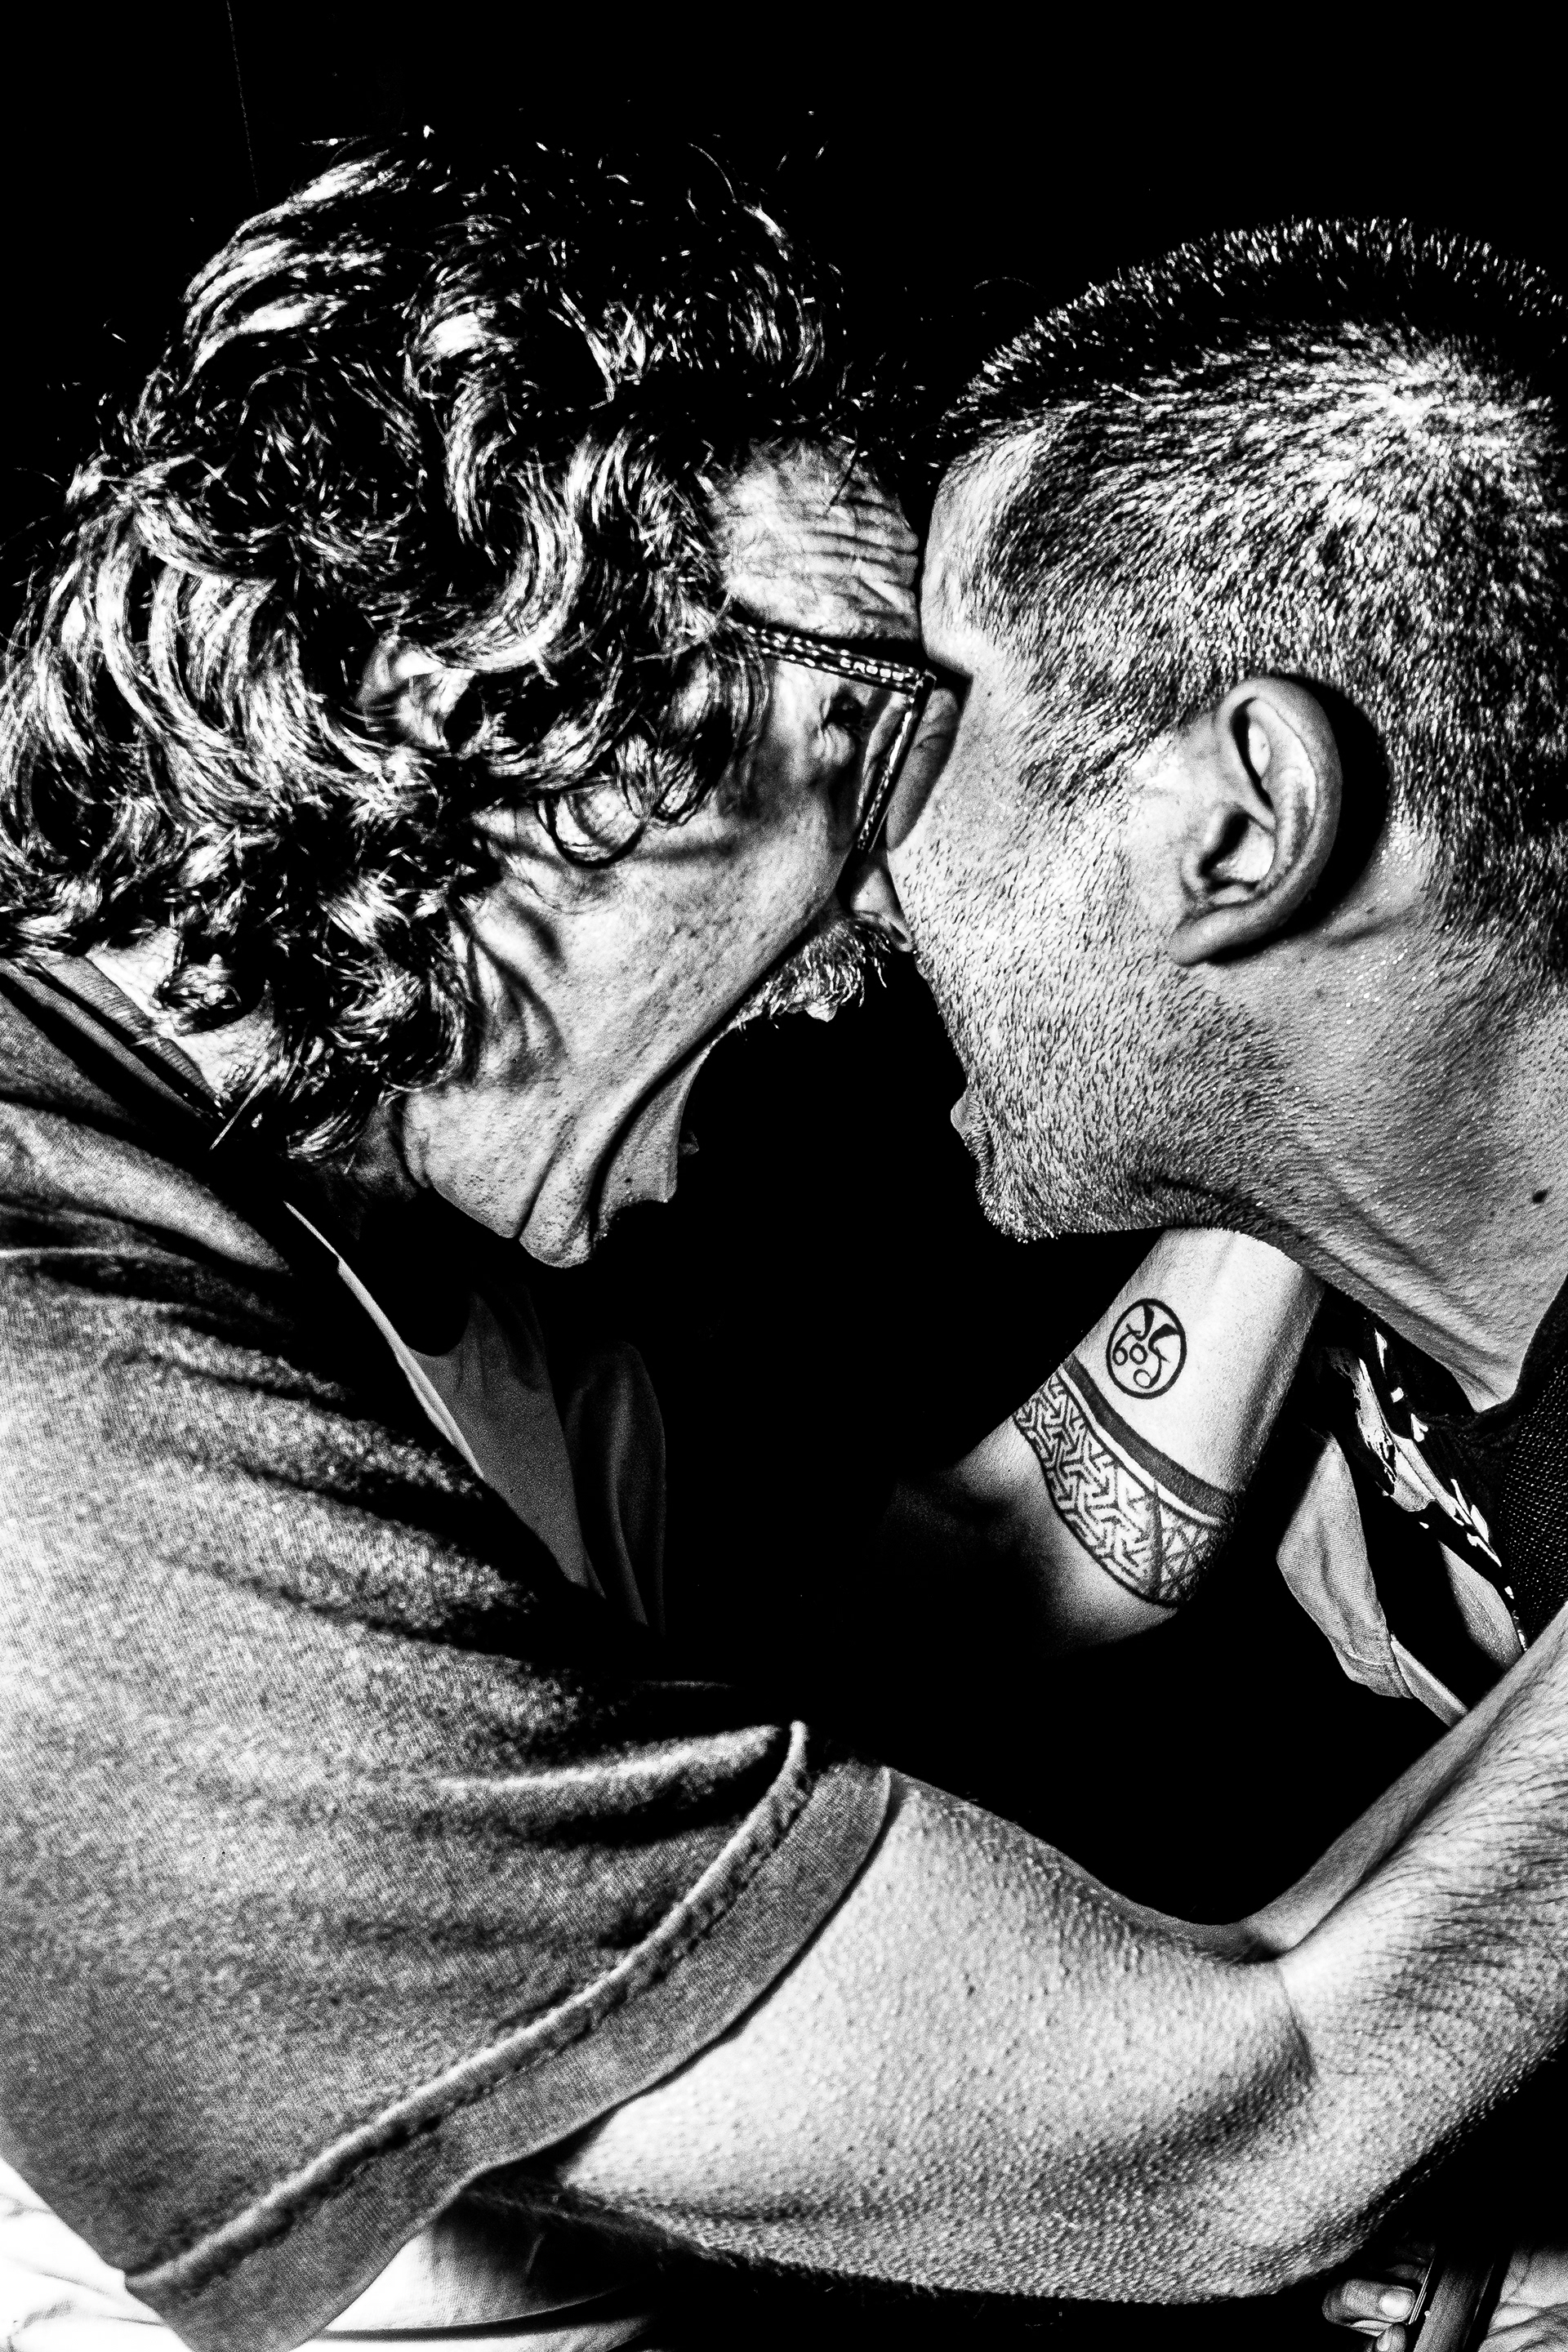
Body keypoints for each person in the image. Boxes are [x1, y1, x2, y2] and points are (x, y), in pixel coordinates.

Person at [0, 139, 1334, 2352]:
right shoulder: (57, 1386)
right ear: (478, 709)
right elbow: (1235, 2131)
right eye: (858, 735)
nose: (879, 919)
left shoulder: (391, 1260)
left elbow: (964, 1601)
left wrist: (1294, 1116)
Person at [877, 217, 1568, 2348]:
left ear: (1243, 822)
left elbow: (1237, 2136)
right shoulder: (1391, 1254)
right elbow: (982, 1598)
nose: (862, 891)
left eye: (920, 752)